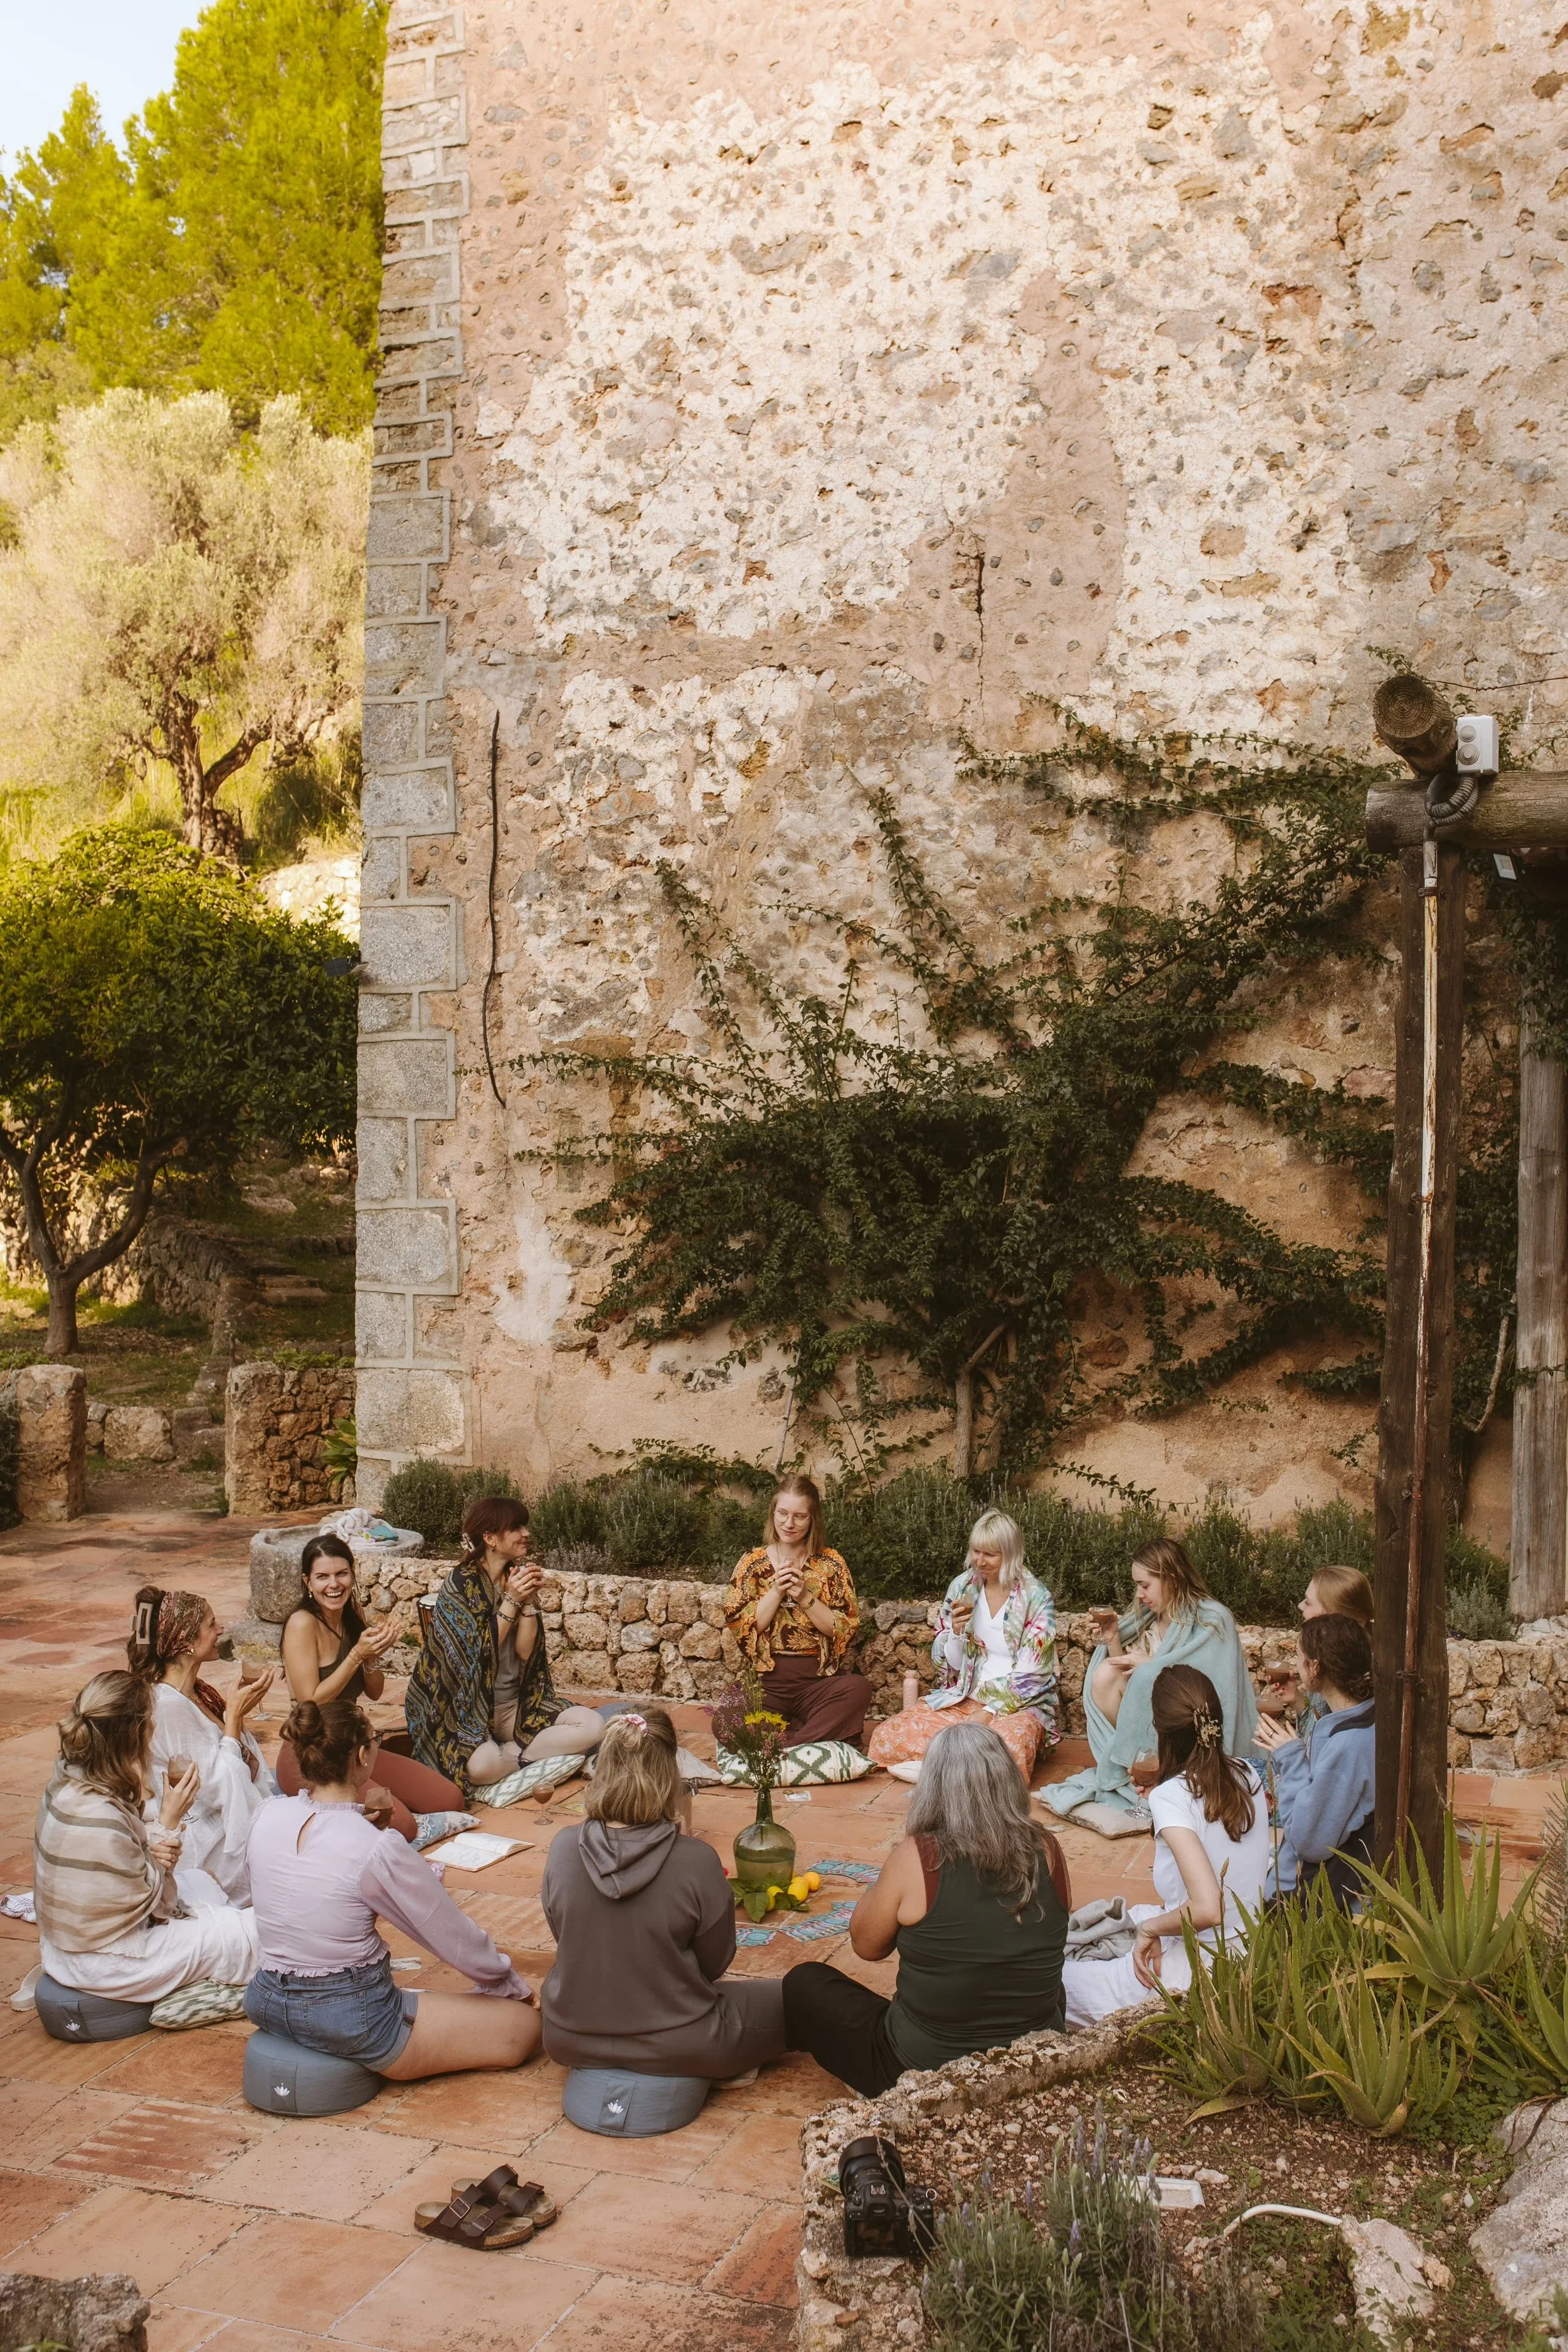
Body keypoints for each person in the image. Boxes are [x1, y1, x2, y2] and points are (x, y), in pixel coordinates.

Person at [245, 1697, 540, 2078]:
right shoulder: (376, 1846)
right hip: (352, 2019)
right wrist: (510, 1987)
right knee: (524, 2028)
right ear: (362, 1756)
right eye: (375, 1739)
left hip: (265, 1998)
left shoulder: (267, 1813)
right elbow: (449, 1934)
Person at [783, 1722, 1071, 2096]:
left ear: (932, 1790)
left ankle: (885, 2090)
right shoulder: (1048, 1848)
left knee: (805, 1983)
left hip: (925, 2072)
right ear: (1009, 1783)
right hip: (1032, 2060)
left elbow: (866, 1947)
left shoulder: (920, 1857)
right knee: (1047, 1983)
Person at [539, 1706, 786, 2078]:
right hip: (682, 2042)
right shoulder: (696, 1860)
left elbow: (568, 1936)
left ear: (601, 1768)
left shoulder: (562, 1847)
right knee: (798, 1997)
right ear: (670, 1772)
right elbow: (715, 1964)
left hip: (568, 2040)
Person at [1061, 1665, 1269, 2029]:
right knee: (1141, 1910)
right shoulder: (1247, 1774)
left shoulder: (1172, 1797)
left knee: (1057, 1982)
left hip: (1198, 1975)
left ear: (1160, 1731)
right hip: (1250, 1953)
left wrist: (1151, 1931)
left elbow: (1208, 1907)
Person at [33, 1670, 258, 2001]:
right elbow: (158, 1905)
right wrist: (169, 1821)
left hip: (64, 1946)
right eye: (150, 1721)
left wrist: (159, 1839)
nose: (154, 1728)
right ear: (135, 1734)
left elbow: (128, 1869)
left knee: (205, 1880)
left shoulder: (68, 1777)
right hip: (108, 1961)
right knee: (257, 1934)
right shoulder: (102, 1818)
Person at [1041, 1537, 1258, 1823]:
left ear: (1171, 1578)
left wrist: (1154, 1666)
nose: (1139, 1594)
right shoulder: (1147, 1620)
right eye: (1137, 1586)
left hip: (1193, 1725)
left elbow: (1214, 1686)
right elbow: (1135, 1685)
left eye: (1145, 1585)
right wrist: (1113, 1639)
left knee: (1144, 1673)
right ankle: (1135, 1769)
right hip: (1153, 1723)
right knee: (1106, 1671)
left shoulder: (1213, 1619)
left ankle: (1163, 1772)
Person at [405, 1497, 605, 1796]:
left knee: (593, 1726)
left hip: (513, 1705)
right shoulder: (462, 1583)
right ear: (490, 1539)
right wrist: (512, 1599)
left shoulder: (516, 1576)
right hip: (465, 1708)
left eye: (525, 1526)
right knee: (479, 1768)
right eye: (516, 1528)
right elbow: (475, 1654)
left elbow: (527, 1652)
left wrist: (528, 1601)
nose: (526, 1533)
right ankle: (529, 1755)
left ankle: (517, 1755)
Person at [280, 1534, 465, 1836]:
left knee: (450, 1799)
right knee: (402, 1827)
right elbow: (308, 1703)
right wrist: (356, 1655)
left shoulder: (353, 1617)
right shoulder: (303, 1623)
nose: (334, 1584)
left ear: (352, 1575)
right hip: (312, 1752)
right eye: (322, 1577)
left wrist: (372, 1658)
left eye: (341, 1574)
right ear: (308, 1582)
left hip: (354, 1747)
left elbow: (376, 1690)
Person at [867, 1512, 1058, 1781]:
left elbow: (1034, 1675)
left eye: (990, 1554)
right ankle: (960, 1772)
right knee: (888, 1734)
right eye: (976, 1551)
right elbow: (953, 1666)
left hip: (1015, 1705)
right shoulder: (963, 1587)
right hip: (964, 1696)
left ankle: (937, 1767)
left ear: (1011, 1553)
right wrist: (955, 1633)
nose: (980, 1561)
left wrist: (988, 1712)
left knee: (1010, 1748)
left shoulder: (1036, 1598)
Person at [127, 1586, 276, 1901]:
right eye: (211, 1624)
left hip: (216, 1820)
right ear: (188, 1643)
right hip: (207, 1844)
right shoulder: (169, 1706)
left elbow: (221, 1752)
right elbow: (217, 1786)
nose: (220, 1629)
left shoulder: (197, 1692)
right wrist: (234, 1717)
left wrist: (238, 1714)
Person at [722, 1476, 871, 1745]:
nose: (789, 1524)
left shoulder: (831, 1562)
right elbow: (743, 1626)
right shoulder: (752, 1563)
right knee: (724, 1719)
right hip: (768, 1682)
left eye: (800, 1516)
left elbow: (843, 1627)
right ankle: (812, 1737)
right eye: (783, 1514)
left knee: (857, 1690)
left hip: (817, 1681)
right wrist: (777, 1591)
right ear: (773, 1513)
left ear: (813, 1519)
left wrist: (804, 1595)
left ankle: (781, 1740)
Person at [1255, 1614, 1375, 1907]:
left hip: (1304, 1903)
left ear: (1316, 1666)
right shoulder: (1366, 1715)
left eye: (1299, 1658)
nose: (1295, 1668)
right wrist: (1299, 1703)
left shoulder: (1350, 1745)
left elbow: (1310, 1843)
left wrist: (1291, 1758)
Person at [1260, 1564, 1375, 1725]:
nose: (1300, 1606)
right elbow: (1318, 1725)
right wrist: (1296, 1698)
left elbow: (1334, 1741)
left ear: (1333, 1616)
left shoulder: (1364, 1671)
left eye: (1308, 1603)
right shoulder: (1332, 1653)